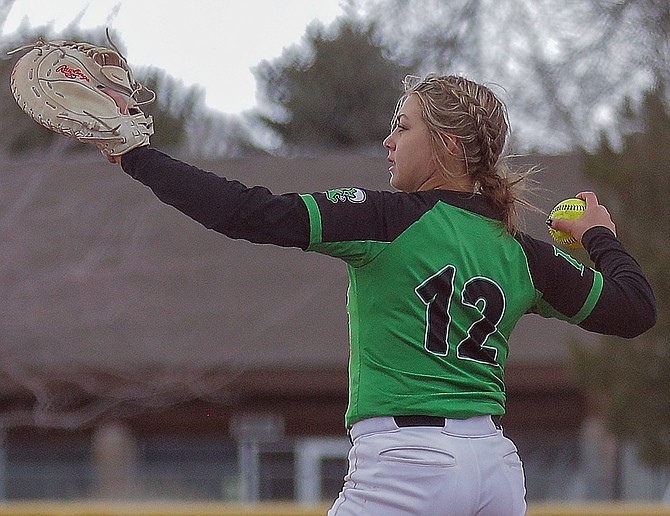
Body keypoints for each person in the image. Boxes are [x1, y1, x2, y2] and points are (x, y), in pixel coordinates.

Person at [104, 74, 656, 515]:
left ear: (446, 144)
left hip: (408, 466)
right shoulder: (522, 253)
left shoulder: (389, 219)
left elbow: (249, 212)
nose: (389, 141)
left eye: (404, 126)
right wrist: (598, 235)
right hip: (495, 471)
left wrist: (136, 154)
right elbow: (635, 310)